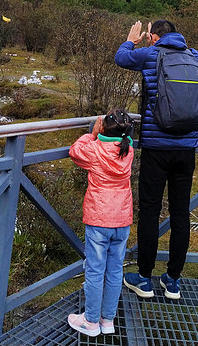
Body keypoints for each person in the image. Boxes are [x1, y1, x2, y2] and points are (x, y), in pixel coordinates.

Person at [114, 19, 198, 300]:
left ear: (154, 37)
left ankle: (143, 279)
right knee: (180, 214)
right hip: (186, 148)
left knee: (150, 213)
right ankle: (173, 281)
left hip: (156, 148)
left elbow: (120, 57)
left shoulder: (151, 54)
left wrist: (132, 39)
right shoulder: (194, 56)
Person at [67, 108, 135, 337]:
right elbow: (118, 142)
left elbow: (75, 152)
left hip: (99, 218)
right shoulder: (129, 151)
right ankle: (108, 320)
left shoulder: (95, 150)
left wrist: (92, 134)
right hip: (122, 219)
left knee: (95, 271)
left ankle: (91, 322)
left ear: (104, 127)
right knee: (115, 270)